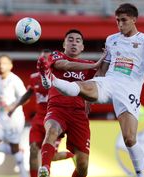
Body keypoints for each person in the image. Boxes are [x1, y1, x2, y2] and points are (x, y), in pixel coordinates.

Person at [37, 3, 144, 177]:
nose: (120, 24)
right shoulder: (111, 40)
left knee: (129, 139)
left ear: (134, 20)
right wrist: (90, 93)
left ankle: (140, 174)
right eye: (117, 21)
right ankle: (51, 79)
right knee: (78, 87)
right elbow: (103, 70)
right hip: (109, 81)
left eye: (124, 20)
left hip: (129, 90)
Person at [36, 29, 105, 177]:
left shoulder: (88, 65)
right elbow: (64, 65)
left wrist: (107, 59)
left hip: (78, 114)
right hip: (57, 108)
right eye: (70, 39)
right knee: (52, 130)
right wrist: (94, 66)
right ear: (64, 44)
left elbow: (98, 81)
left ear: (82, 47)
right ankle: (45, 169)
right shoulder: (57, 56)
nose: (74, 43)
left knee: (82, 165)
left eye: (78, 40)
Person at [8, 50, 75, 177]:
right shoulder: (34, 77)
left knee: (52, 156)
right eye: (41, 58)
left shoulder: (59, 77)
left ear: (52, 61)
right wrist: (14, 107)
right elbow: (28, 94)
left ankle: (72, 155)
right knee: (33, 150)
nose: (43, 61)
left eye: (46, 59)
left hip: (54, 121)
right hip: (38, 120)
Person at [0, 55, 28, 177]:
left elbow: (25, 97)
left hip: (14, 119)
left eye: (4, 63)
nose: (1, 65)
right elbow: (0, 97)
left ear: (11, 66)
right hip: (0, 118)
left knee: (14, 147)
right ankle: (18, 151)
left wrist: (13, 106)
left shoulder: (15, 80)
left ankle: (23, 174)